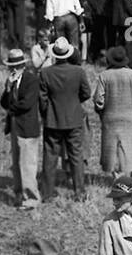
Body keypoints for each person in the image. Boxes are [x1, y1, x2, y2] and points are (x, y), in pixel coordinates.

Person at [38, 38, 92, 204]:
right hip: (74, 119)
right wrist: (75, 102)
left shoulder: (45, 73)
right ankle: (79, 192)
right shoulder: (78, 72)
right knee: (76, 156)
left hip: (53, 120)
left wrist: (47, 113)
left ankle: (47, 193)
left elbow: (42, 99)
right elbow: (86, 93)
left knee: (50, 156)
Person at [93, 47, 132, 179]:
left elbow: (98, 99)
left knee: (112, 152)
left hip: (110, 119)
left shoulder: (104, 76)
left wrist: (101, 111)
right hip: (130, 118)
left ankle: (117, 179)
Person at [1, 48, 43, 209]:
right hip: (15, 127)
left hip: (27, 128)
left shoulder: (31, 80)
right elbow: (3, 103)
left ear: (22, 66)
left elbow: (26, 103)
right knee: (17, 164)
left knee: (27, 164)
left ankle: (31, 198)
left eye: (16, 66)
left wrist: (11, 110)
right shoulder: (10, 81)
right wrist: (7, 88)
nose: (13, 69)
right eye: (11, 66)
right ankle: (20, 195)